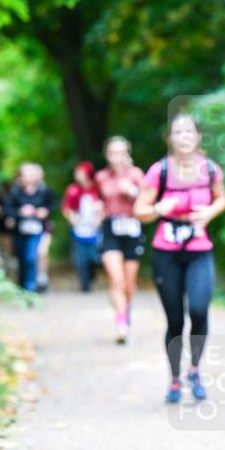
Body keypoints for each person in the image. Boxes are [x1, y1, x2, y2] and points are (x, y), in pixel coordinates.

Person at [135, 114, 225, 404]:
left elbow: (221, 198)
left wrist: (209, 213)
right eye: (178, 131)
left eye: (189, 131)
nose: (184, 136)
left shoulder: (210, 169)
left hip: (199, 249)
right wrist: (160, 208)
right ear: (170, 138)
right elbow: (140, 210)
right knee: (175, 320)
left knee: (199, 311)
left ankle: (195, 370)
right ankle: (174, 379)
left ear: (198, 136)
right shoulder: (159, 172)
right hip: (167, 252)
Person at [95, 136, 146, 343]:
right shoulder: (101, 177)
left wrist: (132, 191)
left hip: (132, 228)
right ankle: (121, 322)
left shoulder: (136, 175)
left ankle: (125, 308)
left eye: (121, 152)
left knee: (128, 282)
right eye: (113, 153)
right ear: (107, 155)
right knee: (116, 278)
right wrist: (98, 210)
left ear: (127, 154)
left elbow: (147, 200)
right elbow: (99, 199)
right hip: (110, 228)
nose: (117, 157)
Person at [5, 163, 55, 292]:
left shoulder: (44, 190)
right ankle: (22, 286)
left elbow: (52, 206)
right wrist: (20, 212)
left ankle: (31, 286)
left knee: (31, 257)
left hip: (37, 230)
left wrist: (44, 212)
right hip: (20, 231)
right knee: (21, 258)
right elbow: (8, 210)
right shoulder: (15, 191)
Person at [62, 161, 104, 292]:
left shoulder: (97, 189)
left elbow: (105, 205)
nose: (78, 175)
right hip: (78, 229)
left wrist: (100, 217)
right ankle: (84, 284)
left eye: (81, 172)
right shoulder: (73, 190)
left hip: (95, 229)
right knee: (80, 258)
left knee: (94, 257)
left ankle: (92, 276)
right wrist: (71, 218)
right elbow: (66, 208)